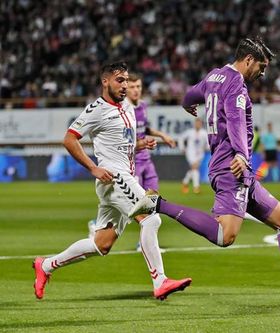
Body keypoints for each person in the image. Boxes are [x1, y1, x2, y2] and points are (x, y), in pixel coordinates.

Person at [129, 37, 280, 312]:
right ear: (248, 60)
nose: (263, 73)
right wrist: (242, 154)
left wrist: (188, 103)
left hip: (237, 170)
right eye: (261, 66)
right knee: (225, 236)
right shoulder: (237, 86)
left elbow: (191, 94)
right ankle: (158, 204)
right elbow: (235, 121)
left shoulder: (215, 76)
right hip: (232, 168)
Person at [33, 62, 192, 300]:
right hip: (114, 177)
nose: (125, 85)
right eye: (120, 80)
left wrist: (139, 145)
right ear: (105, 81)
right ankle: (160, 281)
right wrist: (93, 168)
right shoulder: (96, 109)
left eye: (127, 80)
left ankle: (45, 265)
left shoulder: (127, 107)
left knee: (101, 244)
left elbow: (122, 144)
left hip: (120, 179)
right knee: (151, 218)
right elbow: (69, 139)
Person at [88, 72, 177, 252]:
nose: (136, 90)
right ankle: (101, 225)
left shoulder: (142, 106)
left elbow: (145, 126)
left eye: (139, 87)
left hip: (146, 160)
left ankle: (144, 243)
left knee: (152, 198)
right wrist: (139, 144)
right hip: (130, 163)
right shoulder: (123, 109)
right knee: (137, 206)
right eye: (133, 87)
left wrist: (162, 135)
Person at [180, 118, 209, 194]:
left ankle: (185, 182)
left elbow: (209, 143)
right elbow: (181, 138)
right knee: (195, 168)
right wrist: (182, 147)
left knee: (194, 169)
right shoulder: (190, 132)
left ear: (201, 124)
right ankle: (196, 187)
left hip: (200, 154)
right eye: (196, 123)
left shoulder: (204, 133)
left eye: (199, 123)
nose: (197, 124)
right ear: (194, 124)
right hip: (190, 153)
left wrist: (207, 147)